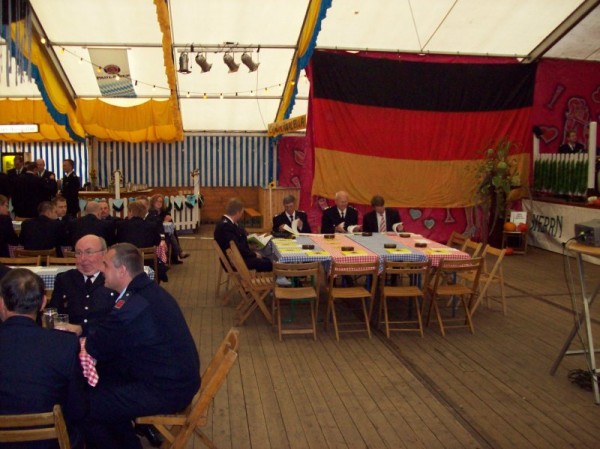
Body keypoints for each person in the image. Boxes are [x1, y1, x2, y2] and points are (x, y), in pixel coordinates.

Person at [80, 243, 200, 448]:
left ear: (122, 270)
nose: (101, 269)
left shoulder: (133, 304)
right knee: (105, 378)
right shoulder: (148, 292)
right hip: (176, 378)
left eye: (105, 265)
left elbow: (96, 346)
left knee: (85, 406)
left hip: (168, 390)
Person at [0, 268, 87, 449]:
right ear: (43, 304)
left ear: (1, 303)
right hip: (52, 442)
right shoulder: (64, 344)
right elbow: (78, 406)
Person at [48, 235, 117, 337]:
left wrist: (83, 329)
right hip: (70, 339)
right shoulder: (65, 279)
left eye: (89, 252)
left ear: (104, 254)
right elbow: (54, 312)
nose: (83, 258)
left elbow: (118, 319)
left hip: (104, 339)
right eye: (78, 253)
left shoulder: (114, 280)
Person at [214, 197, 272, 272]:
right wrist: (253, 254)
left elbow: (239, 237)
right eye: (241, 212)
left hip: (237, 257)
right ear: (237, 212)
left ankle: (258, 277)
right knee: (268, 262)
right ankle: (259, 278)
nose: (241, 215)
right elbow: (236, 247)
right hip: (235, 261)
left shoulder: (227, 223)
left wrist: (250, 237)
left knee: (264, 258)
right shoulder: (226, 226)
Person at [147, 194, 189, 262]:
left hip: (164, 232)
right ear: (153, 202)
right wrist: (164, 221)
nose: (159, 203)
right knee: (171, 235)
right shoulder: (151, 213)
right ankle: (179, 252)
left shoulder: (164, 212)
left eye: (161, 201)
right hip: (155, 233)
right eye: (157, 201)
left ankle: (175, 255)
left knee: (171, 233)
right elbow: (155, 225)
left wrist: (168, 219)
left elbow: (168, 223)